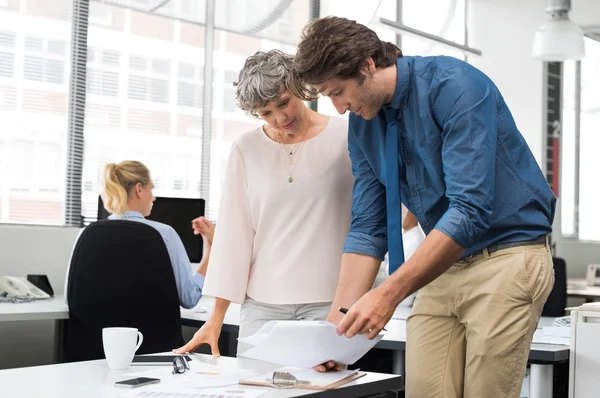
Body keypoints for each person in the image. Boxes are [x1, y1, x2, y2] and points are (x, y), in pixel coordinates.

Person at [292, 16, 556, 398]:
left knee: (485, 391)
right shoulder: (364, 123)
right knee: (425, 390)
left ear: (367, 65)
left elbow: (469, 209)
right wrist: (338, 327)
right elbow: (369, 226)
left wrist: (387, 294)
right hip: (445, 264)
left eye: (339, 91)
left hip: (507, 255)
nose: (338, 108)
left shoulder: (456, 86)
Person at [174, 50, 354, 358]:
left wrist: (350, 302)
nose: (280, 118)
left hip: (328, 306)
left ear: (299, 85)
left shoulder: (347, 136)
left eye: (283, 103)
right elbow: (234, 237)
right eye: (265, 113)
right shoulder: (246, 149)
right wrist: (215, 319)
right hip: (262, 309)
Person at [65, 161, 210, 309]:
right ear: (139, 189)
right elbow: (189, 297)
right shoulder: (164, 234)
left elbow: (69, 297)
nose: (153, 198)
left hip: (99, 332)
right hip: (151, 332)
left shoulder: (87, 233)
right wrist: (211, 248)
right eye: (151, 189)